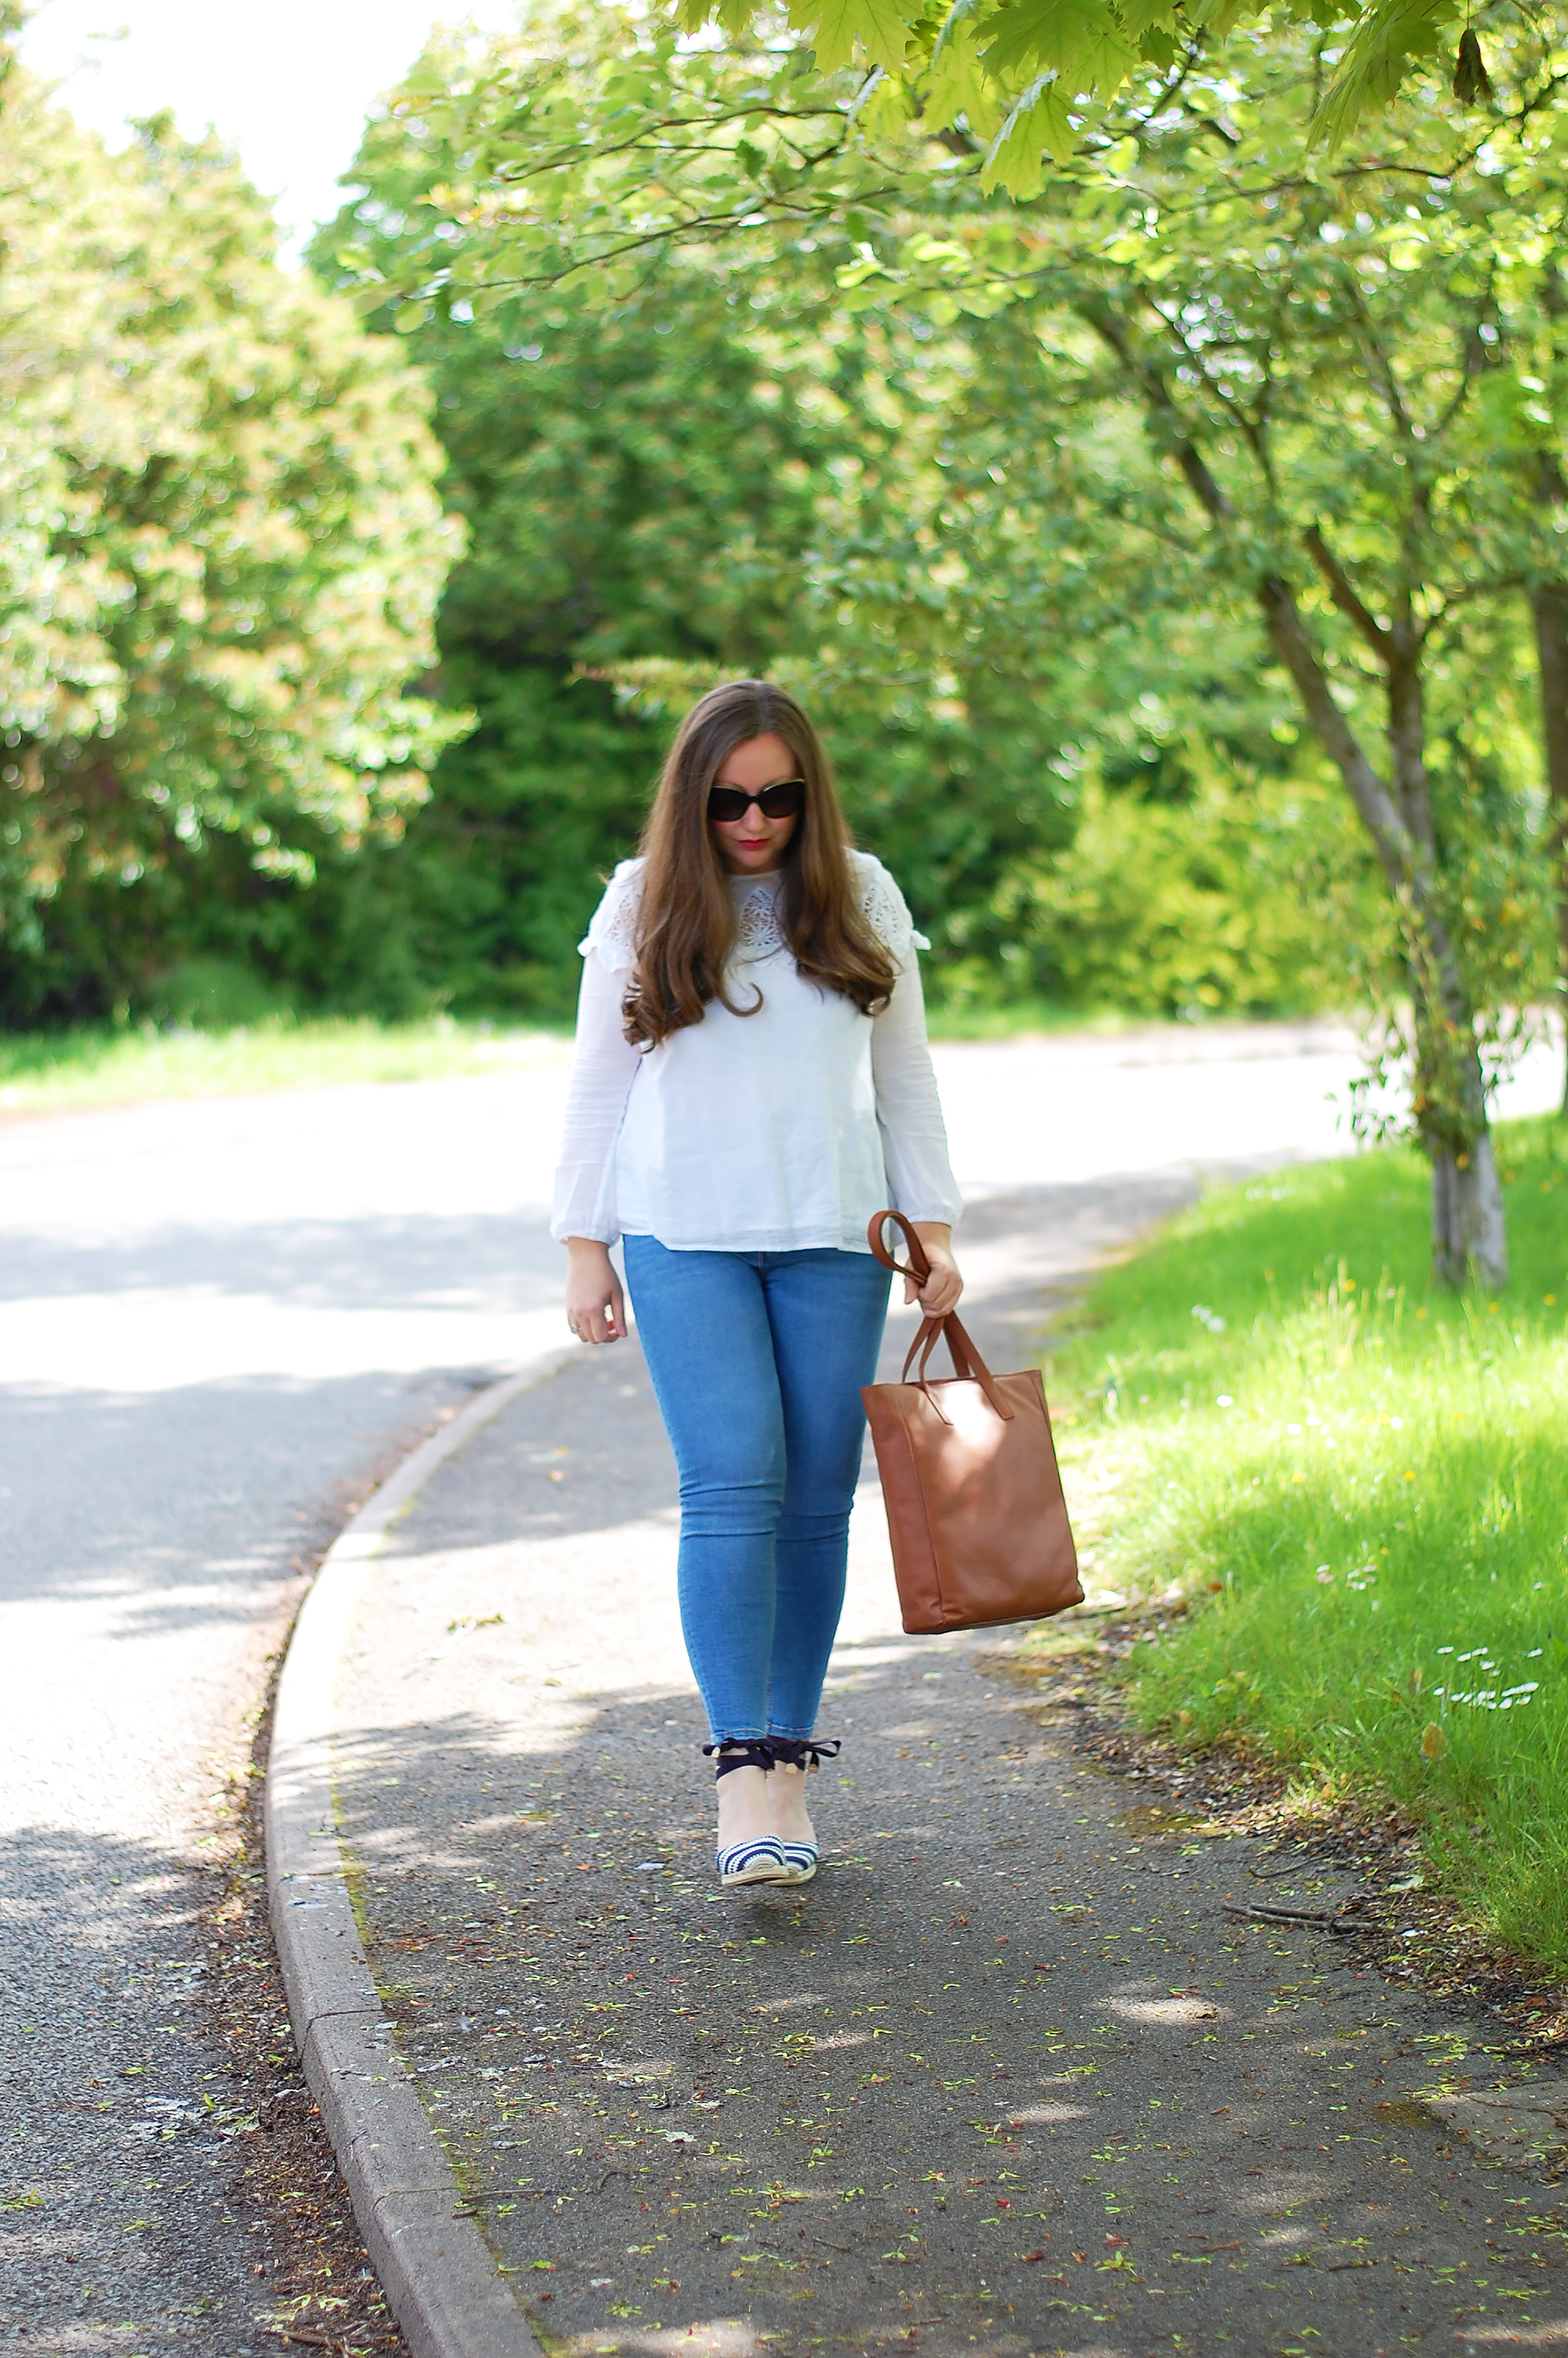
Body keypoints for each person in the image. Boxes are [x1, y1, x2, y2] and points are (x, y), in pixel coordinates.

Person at [551, 679, 963, 1889]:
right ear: (694, 795)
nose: (754, 819)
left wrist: (934, 1230)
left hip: (839, 1235)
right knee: (733, 1480)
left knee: (816, 1498)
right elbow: (596, 1079)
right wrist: (585, 1242)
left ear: (808, 793)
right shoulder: (643, 899)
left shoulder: (862, 890)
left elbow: (909, 1077)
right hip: (685, 1236)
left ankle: (791, 1767)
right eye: (730, 798)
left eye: (779, 796)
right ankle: (743, 1776)